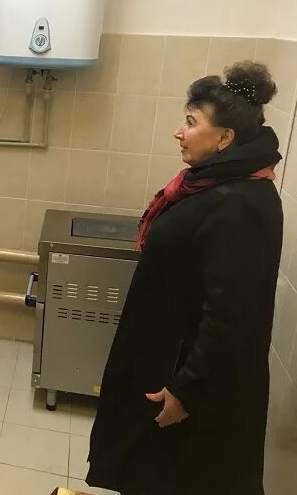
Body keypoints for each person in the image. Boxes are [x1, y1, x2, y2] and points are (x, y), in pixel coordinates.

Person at [87, 61, 283, 495]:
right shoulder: (216, 182)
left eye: (191, 123)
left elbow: (231, 315)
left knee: (174, 478)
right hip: (167, 362)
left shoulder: (241, 202)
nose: (179, 132)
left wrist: (186, 390)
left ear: (225, 138)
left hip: (190, 386)